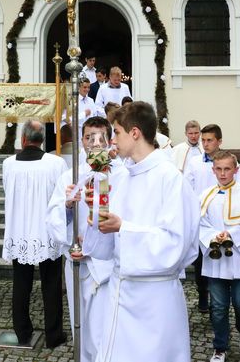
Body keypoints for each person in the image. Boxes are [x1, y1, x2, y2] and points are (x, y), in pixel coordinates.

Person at [82, 102, 199, 362]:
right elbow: (105, 249)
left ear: (135, 133)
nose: (112, 141)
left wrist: (123, 227)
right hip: (119, 294)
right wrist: (96, 212)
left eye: (117, 133)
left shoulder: (170, 179)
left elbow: (176, 245)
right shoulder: (122, 177)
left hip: (153, 302)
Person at [46, 116, 116, 362]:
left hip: (110, 265)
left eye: (100, 137)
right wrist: (66, 206)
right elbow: (52, 215)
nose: (94, 143)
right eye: (89, 137)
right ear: (82, 141)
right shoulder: (70, 176)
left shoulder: (120, 175)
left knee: (107, 324)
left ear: (109, 140)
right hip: (79, 263)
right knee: (82, 322)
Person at [2, 120, 68, 348]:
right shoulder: (56, 164)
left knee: (21, 284)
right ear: (43, 139)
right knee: (51, 285)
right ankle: (53, 335)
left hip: (20, 231)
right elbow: (61, 198)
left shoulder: (8, 164)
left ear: (23, 138)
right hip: (46, 232)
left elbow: (7, 190)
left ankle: (22, 332)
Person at [199, 151, 240, 362]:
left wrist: (232, 235)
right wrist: (211, 236)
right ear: (213, 170)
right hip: (215, 259)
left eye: (227, 169)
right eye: (219, 169)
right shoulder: (206, 195)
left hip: (239, 258)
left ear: (236, 170)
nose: (223, 173)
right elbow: (199, 223)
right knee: (217, 307)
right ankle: (220, 347)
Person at [183, 123, 240, 313]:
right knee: (201, 259)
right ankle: (203, 294)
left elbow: (237, 189)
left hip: (224, 217)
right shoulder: (194, 162)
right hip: (201, 219)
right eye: (203, 140)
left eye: (210, 140)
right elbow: (187, 189)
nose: (205, 144)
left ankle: (220, 301)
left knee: (222, 258)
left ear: (219, 141)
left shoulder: (231, 163)